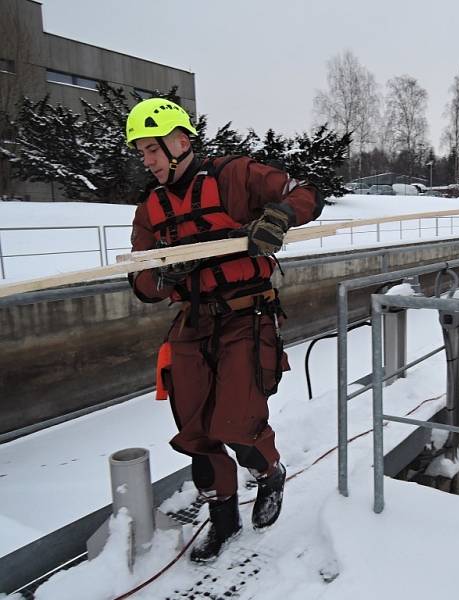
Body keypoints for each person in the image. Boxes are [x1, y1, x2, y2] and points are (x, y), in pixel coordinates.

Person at [125, 98, 324, 563]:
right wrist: (162, 278)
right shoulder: (150, 209)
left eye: (152, 149)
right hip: (193, 322)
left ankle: (269, 472)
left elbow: (307, 192)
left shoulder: (234, 177)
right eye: (141, 153)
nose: (147, 161)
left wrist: (280, 216)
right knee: (195, 430)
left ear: (181, 141)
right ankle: (223, 517)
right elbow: (139, 278)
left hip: (247, 316)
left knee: (236, 421)